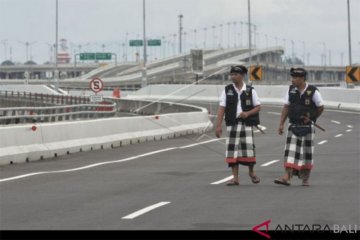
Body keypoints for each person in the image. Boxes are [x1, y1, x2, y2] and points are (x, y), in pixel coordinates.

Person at [274, 67, 324, 186]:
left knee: (307, 153)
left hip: (307, 127)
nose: (292, 80)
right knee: (290, 152)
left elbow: (320, 107)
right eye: (292, 77)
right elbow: (286, 107)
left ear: (302, 78)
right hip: (293, 125)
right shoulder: (291, 90)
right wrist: (281, 124)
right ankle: (286, 177)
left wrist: (312, 117)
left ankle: (305, 179)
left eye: (295, 78)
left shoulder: (313, 91)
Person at [215, 65, 261, 186]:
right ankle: (235, 178)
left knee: (249, 151)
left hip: (246, 125)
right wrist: (218, 126)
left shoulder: (251, 90)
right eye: (232, 74)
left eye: (235, 74)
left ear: (242, 76)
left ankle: (251, 173)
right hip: (232, 125)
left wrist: (247, 113)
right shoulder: (227, 90)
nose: (233, 77)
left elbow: (258, 107)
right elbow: (221, 108)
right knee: (232, 152)